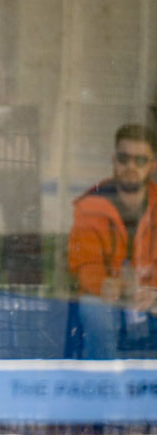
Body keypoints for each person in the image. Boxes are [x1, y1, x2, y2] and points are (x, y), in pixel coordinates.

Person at [68, 123, 157, 359]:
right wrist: (104, 285)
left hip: (151, 294)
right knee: (95, 309)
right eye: (124, 158)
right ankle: (105, 378)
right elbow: (84, 265)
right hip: (108, 297)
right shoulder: (89, 206)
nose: (130, 166)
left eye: (140, 160)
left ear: (153, 165)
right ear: (114, 160)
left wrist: (154, 289)